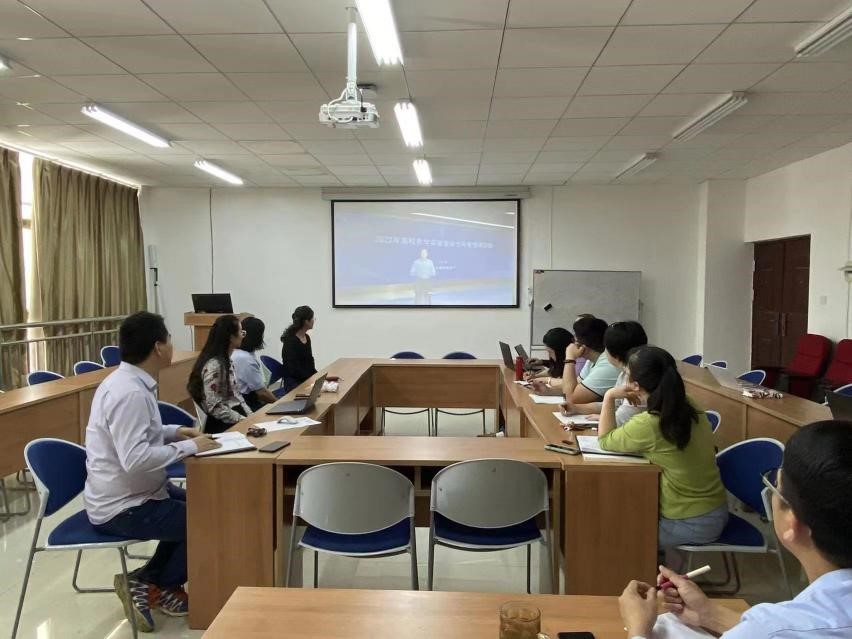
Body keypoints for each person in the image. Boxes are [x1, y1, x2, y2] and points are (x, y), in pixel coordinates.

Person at [619, 420, 852, 639]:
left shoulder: (770, 631)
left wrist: (638, 628)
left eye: (775, 486)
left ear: (793, 523)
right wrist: (709, 614)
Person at [84, 312, 219, 632]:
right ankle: (153, 583)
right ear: (158, 347)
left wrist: (174, 432)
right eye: (169, 339)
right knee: (206, 520)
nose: (172, 345)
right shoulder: (129, 393)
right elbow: (135, 458)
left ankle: (152, 581)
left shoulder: (130, 382)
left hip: (140, 491)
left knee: (206, 506)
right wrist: (190, 446)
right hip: (123, 505)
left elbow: (142, 433)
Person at [598, 346, 728, 560]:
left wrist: (609, 396)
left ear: (635, 386)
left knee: (613, 530)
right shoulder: (688, 403)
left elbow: (605, 440)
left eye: (627, 376)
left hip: (689, 522)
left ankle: (652, 572)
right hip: (714, 510)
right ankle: (660, 565)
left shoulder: (650, 423)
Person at [560, 320, 648, 425]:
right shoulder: (624, 374)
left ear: (612, 351)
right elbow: (615, 405)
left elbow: (620, 421)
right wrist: (577, 408)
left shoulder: (632, 378)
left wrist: (569, 358)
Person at [187, 314, 251, 434]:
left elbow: (237, 396)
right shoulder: (215, 365)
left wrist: (250, 416)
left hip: (233, 415)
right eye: (241, 332)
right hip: (222, 424)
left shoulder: (226, 360)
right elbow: (215, 407)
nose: (243, 336)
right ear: (231, 337)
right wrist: (242, 420)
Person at [231, 316, 277, 412]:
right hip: (245, 404)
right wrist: (278, 404)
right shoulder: (245, 359)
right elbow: (262, 393)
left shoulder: (239, 353)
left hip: (240, 399)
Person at [280, 305, 317, 394]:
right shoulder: (290, 341)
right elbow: (292, 369)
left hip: (305, 378)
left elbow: (309, 360)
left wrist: (317, 375)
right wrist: (310, 380)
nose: (314, 320)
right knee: (316, 394)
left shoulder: (307, 337)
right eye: (312, 318)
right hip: (294, 382)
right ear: (306, 321)